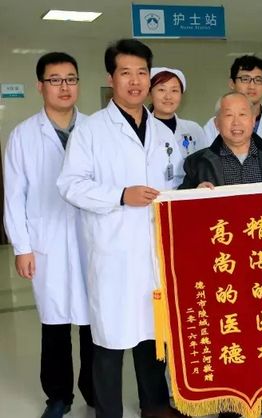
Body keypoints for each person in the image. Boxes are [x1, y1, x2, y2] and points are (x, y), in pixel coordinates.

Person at [57, 39, 188, 418]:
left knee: (153, 336)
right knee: (110, 341)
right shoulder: (91, 131)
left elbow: (178, 181)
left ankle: (155, 406)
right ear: (111, 78)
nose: (135, 81)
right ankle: (108, 412)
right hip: (112, 251)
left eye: (142, 73)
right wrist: (120, 195)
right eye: (125, 73)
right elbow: (70, 185)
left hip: (155, 252)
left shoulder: (163, 133)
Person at [180, 91, 262, 418]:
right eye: (228, 115)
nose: (236, 122)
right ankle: (230, 403)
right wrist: (192, 196)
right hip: (223, 268)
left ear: (254, 119)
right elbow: (181, 214)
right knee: (229, 334)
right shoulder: (198, 162)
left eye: (243, 114)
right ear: (216, 123)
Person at [3, 52, 93, 418]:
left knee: (92, 323)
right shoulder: (23, 135)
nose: (64, 87)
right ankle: (58, 396)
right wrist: (22, 247)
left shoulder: (95, 129)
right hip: (47, 243)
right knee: (54, 324)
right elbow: (14, 195)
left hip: (92, 240)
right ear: (40, 86)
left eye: (70, 79)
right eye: (55, 80)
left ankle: (95, 391)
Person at [203, 55, 262, 176]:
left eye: (258, 80)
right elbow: (205, 164)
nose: (252, 86)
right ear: (232, 83)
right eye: (245, 79)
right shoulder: (214, 125)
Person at [150, 66, 208, 158]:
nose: (168, 96)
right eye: (161, 90)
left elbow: (205, 162)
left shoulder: (193, 129)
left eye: (174, 90)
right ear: (150, 93)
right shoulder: (143, 130)